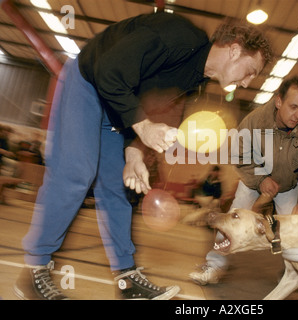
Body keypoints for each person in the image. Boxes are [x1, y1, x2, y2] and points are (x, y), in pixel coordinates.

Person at [14, 11, 273, 300]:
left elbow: (153, 110)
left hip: (116, 110)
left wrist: (135, 153)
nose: (249, 82)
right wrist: (144, 127)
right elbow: (109, 70)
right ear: (235, 50)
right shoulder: (178, 35)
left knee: (119, 187)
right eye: (251, 70)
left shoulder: (194, 79)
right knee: (77, 173)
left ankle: (127, 280)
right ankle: (35, 268)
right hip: (88, 82)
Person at [189, 76, 298, 286]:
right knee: (229, 221)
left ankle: (294, 274)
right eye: (293, 107)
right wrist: (260, 179)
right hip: (252, 181)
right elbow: (238, 154)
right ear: (278, 101)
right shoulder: (255, 121)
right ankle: (214, 265)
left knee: (296, 231)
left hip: (287, 186)